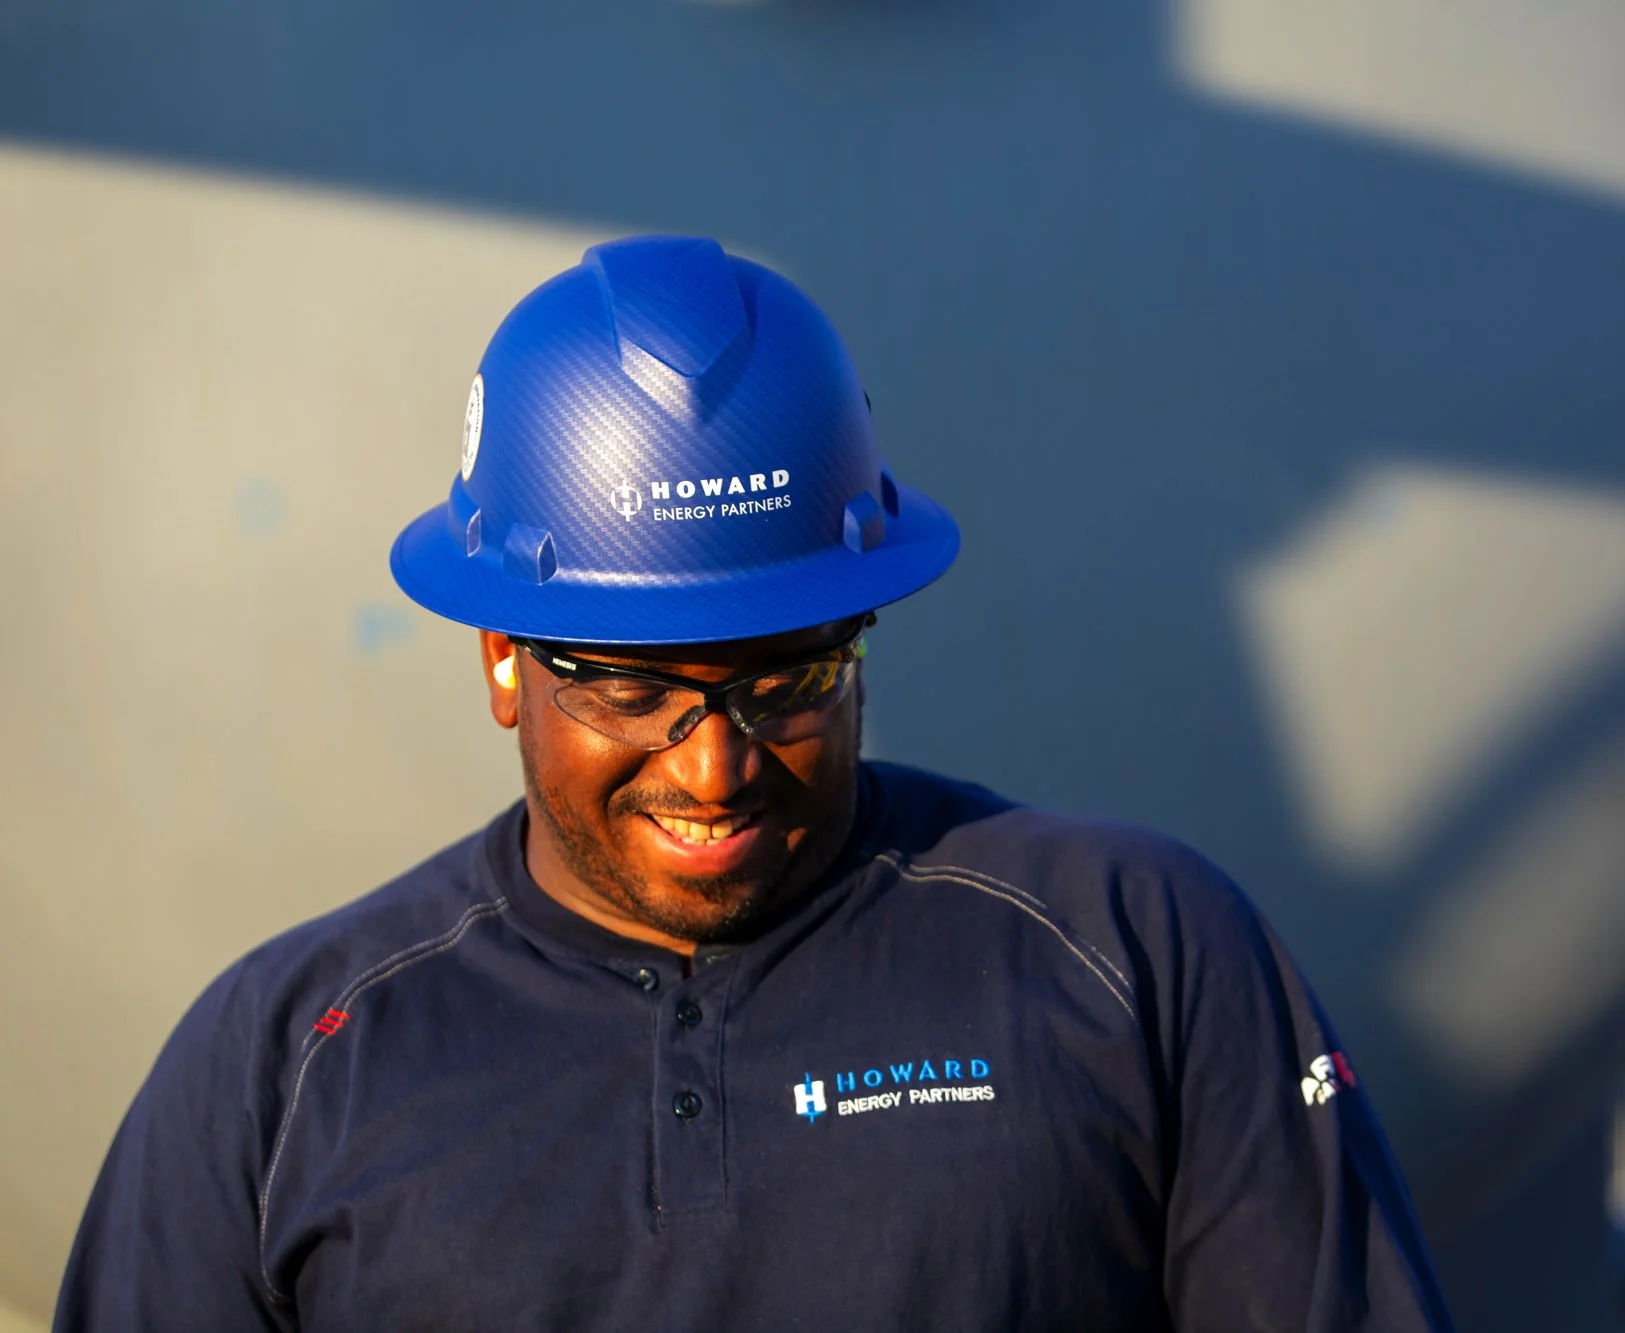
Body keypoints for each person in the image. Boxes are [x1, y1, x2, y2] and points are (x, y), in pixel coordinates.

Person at [56, 236, 1454, 1331]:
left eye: (787, 677)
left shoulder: (1137, 956)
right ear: (500, 659)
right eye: (631, 685)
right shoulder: (286, 1065)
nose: (714, 766)